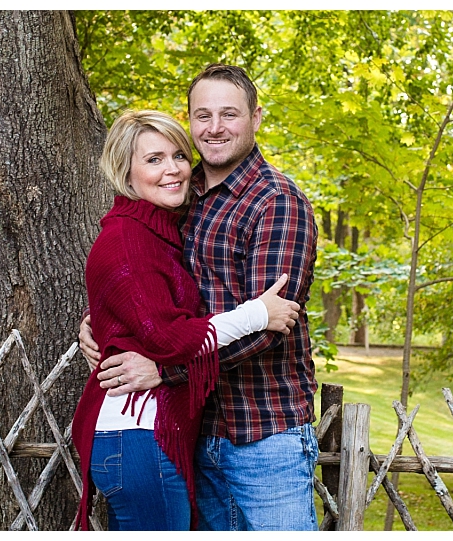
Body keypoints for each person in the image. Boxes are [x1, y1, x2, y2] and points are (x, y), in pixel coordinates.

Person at [79, 64, 320, 531]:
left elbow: (269, 327)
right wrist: (103, 324)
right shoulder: (176, 194)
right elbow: (139, 274)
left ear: (256, 116)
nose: (214, 128)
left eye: (229, 114)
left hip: (262, 432)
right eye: (202, 115)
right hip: (192, 428)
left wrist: (164, 369)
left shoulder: (276, 202)